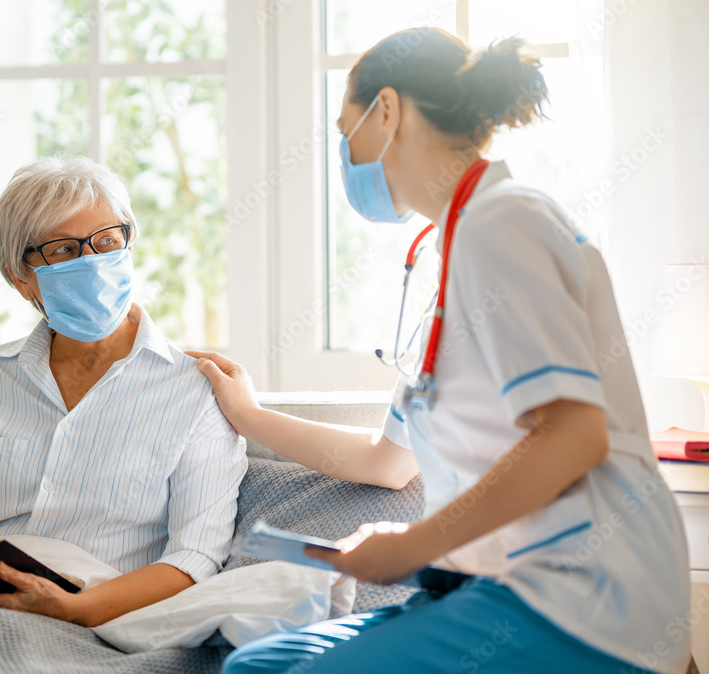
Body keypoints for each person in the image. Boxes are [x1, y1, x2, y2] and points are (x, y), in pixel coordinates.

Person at [188, 28, 691, 674]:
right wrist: (250, 417)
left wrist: (417, 544)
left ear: (389, 111)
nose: (344, 152)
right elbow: (387, 463)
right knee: (252, 667)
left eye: (347, 131)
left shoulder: (503, 225)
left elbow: (573, 435)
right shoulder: (451, 262)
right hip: (495, 586)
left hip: (582, 599)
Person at [0, 155, 247, 627]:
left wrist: (72, 609)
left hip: (101, 620)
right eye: (62, 250)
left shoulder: (197, 392)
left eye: (106, 241)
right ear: (20, 277)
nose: (93, 263)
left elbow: (194, 557)